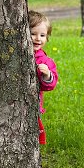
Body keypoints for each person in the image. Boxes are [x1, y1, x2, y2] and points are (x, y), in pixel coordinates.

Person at [28, 10, 58, 145]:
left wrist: (47, 75)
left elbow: (50, 85)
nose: (37, 38)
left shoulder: (45, 61)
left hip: (33, 104)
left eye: (42, 35)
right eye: (33, 34)